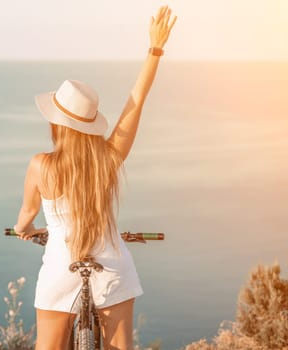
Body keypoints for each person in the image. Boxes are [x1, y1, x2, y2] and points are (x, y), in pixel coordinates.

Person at [13, 5, 177, 350]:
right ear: (90, 124)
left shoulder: (41, 165)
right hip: (113, 267)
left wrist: (24, 231)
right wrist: (155, 49)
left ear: (56, 122)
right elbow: (136, 101)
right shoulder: (108, 159)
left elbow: (26, 219)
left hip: (62, 267)